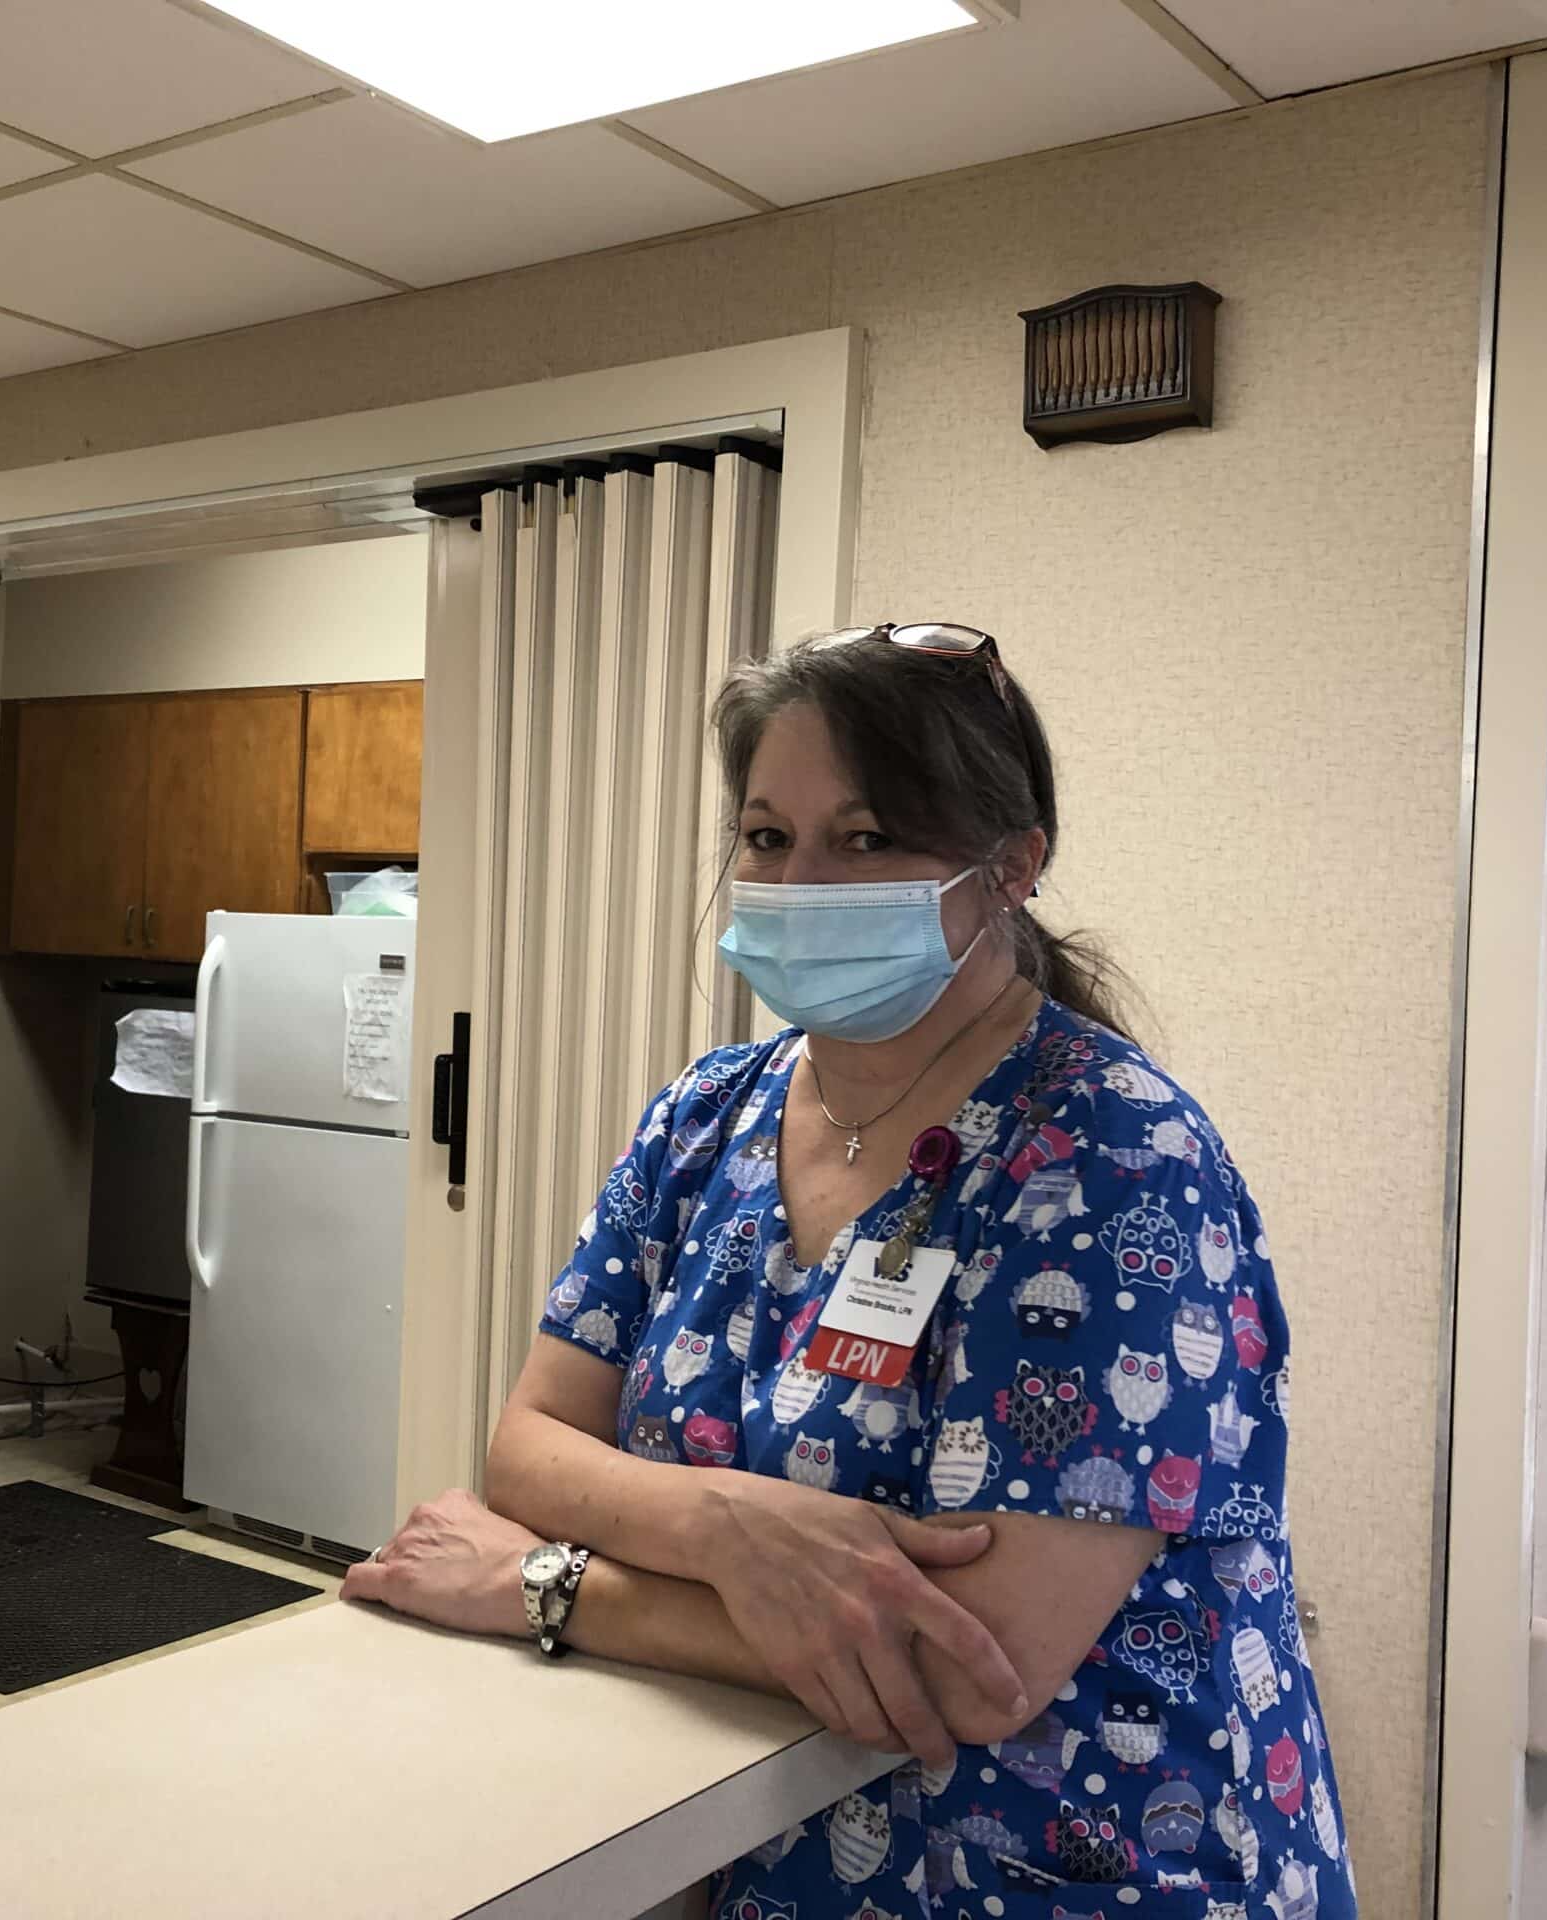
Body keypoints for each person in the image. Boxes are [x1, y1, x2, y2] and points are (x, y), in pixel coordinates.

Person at [344, 624, 1353, 1918]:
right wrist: (728, 1523)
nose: (803, 881)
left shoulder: (1110, 1156)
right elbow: (532, 1444)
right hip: (768, 1853)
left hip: (1089, 1871)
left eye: (868, 838)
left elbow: (972, 1663)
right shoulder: (704, 1117)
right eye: (769, 838)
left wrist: (544, 1582)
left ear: (1014, 867)